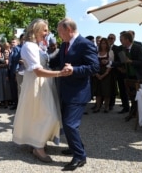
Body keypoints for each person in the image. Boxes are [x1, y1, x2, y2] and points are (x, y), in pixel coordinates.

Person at [12, 18, 71, 163]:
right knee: (46, 115)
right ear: (36, 30)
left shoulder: (37, 46)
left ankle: (38, 143)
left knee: (42, 114)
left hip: (44, 84)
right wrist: (60, 74)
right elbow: (38, 71)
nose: (47, 32)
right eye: (45, 30)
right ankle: (38, 148)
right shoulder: (29, 47)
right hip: (36, 85)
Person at [50, 17, 100, 171]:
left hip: (78, 92)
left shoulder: (85, 44)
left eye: (60, 32)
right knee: (66, 123)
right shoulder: (65, 44)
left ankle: (80, 156)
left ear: (69, 30)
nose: (59, 36)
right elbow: (55, 62)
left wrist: (75, 70)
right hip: (66, 91)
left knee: (70, 124)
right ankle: (74, 147)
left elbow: (94, 67)